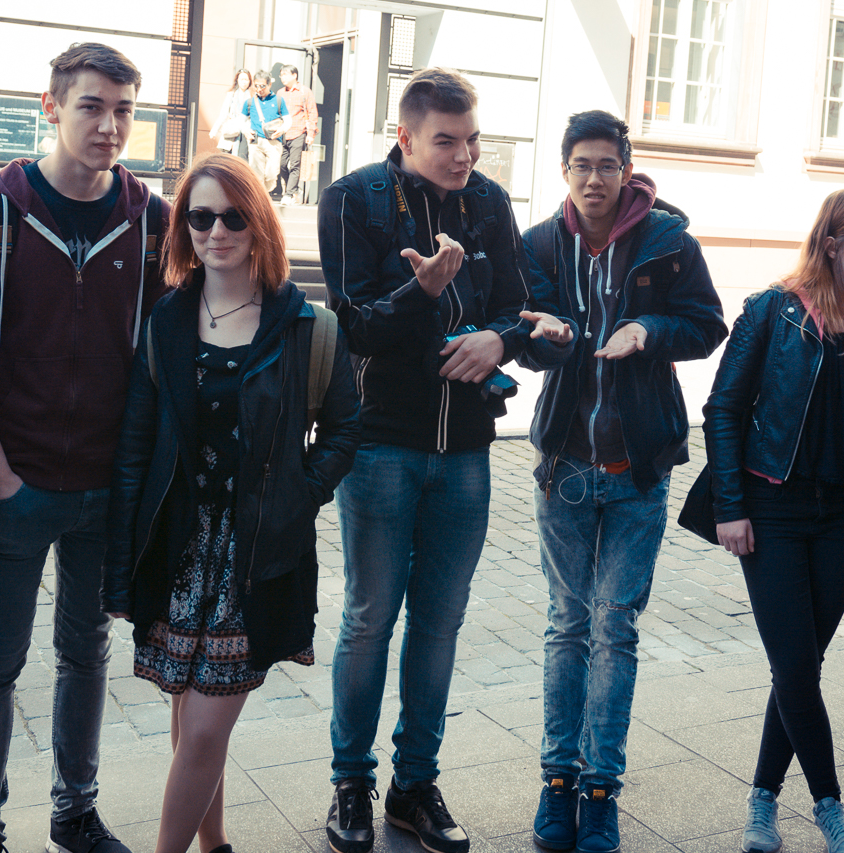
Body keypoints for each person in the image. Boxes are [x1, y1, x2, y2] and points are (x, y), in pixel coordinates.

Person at [318, 66, 571, 853]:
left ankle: (413, 784)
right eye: (446, 142)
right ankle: (351, 782)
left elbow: (517, 310)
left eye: (472, 140)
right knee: (369, 618)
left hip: (465, 448)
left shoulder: (489, 201)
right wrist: (423, 291)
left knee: (440, 620)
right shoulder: (354, 200)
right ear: (404, 136)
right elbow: (353, 324)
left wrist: (503, 337)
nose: (464, 156)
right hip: (381, 443)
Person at [0, 42, 169, 853]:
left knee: (87, 652)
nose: (109, 126)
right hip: (15, 481)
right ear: (51, 106)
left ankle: (75, 813)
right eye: (91, 107)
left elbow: (164, 345)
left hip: (106, 485)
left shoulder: (151, 218)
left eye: (123, 110)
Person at [102, 152, 359, 853]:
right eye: (201, 217)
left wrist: (300, 495)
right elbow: (135, 450)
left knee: (204, 729)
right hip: (179, 546)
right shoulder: (166, 321)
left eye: (233, 217)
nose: (216, 231)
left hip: (255, 552)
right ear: (184, 226)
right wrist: (119, 569)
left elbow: (345, 430)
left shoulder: (304, 325)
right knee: (190, 720)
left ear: (258, 224)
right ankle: (213, 842)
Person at [520, 110, 726, 853]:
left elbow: (707, 324)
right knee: (567, 625)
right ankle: (557, 780)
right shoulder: (540, 243)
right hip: (564, 466)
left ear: (627, 170)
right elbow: (525, 338)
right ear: (565, 171)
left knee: (615, 627)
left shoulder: (669, 242)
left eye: (607, 164)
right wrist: (545, 338)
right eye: (581, 164)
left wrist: (649, 333)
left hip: (639, 468)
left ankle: (600, 788)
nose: (594, 178)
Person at [703, 189, 844, 853]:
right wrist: (730, 506)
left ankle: (762, 798)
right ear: (832, 242)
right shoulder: (773, 310)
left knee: (800, 668)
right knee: (794, 666)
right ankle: (829, 807)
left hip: (840, 516)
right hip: (774, 510)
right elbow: (723, 408)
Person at [240, 71, 287, 198]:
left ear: (269, 84)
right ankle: (260, 198)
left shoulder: (278, 101)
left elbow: (288, 120)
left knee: (271, 175)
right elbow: (241, 120)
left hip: (273, 142)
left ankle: (264, 192)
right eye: (256, 86)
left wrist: (282, 129)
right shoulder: (249, 102)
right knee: (256, 174)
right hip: (255, 142)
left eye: (262, 86)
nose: (259, 89)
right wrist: (245, 130)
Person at [275, 64, 317, 204]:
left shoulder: (305, 91)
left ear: (294, 75)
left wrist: (310, 134)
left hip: (299, 132)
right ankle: (293, 189)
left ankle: (288, 194)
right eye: (281, 75)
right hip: (282, 133)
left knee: (295, 165)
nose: (282, 78)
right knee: (281, 165)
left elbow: (312, 113)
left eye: (285, 74)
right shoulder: (280, 93)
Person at [208, 68, 253, 162]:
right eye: (242, 79)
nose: (244, 82)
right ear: (237, 80)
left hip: (245, 131)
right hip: (232, 130)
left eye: (246, 79)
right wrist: (214, 130)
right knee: (228, 158)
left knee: (242, 158)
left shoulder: (252, 96)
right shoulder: (231, 95)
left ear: (249, 81)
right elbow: (223, 114)